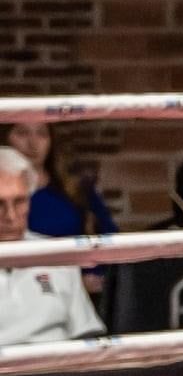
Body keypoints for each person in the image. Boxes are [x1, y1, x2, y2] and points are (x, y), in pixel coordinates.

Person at [0, 146, 106, 346]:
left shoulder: (56, 255)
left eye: (20, 202)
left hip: (58, 372)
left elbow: (87, 334)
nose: (10, 216)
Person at [1, 121, 118, 294]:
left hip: (75, 286)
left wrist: (90, 276)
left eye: (42, 134)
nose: (33, 143)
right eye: (22, 133)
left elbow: (110, 237)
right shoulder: (7, 201)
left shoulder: (75, 189)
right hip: (16, 284)